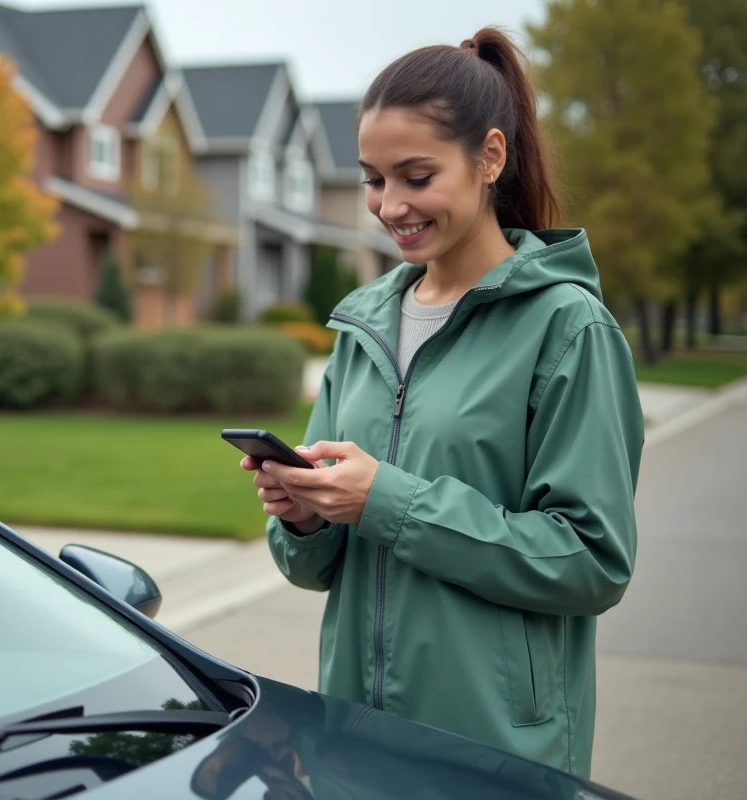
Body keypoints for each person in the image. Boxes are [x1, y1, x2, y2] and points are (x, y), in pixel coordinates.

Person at [240, 26, 644, 778]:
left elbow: (592, 562)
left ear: (490, 157)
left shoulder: (567, 328)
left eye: (416, 177)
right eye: (371, 178)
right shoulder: (361, 327)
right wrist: (303, 514)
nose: (389, 205)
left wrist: (386, 500)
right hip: (352, 742)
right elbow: (319, 568)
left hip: (492, 756)